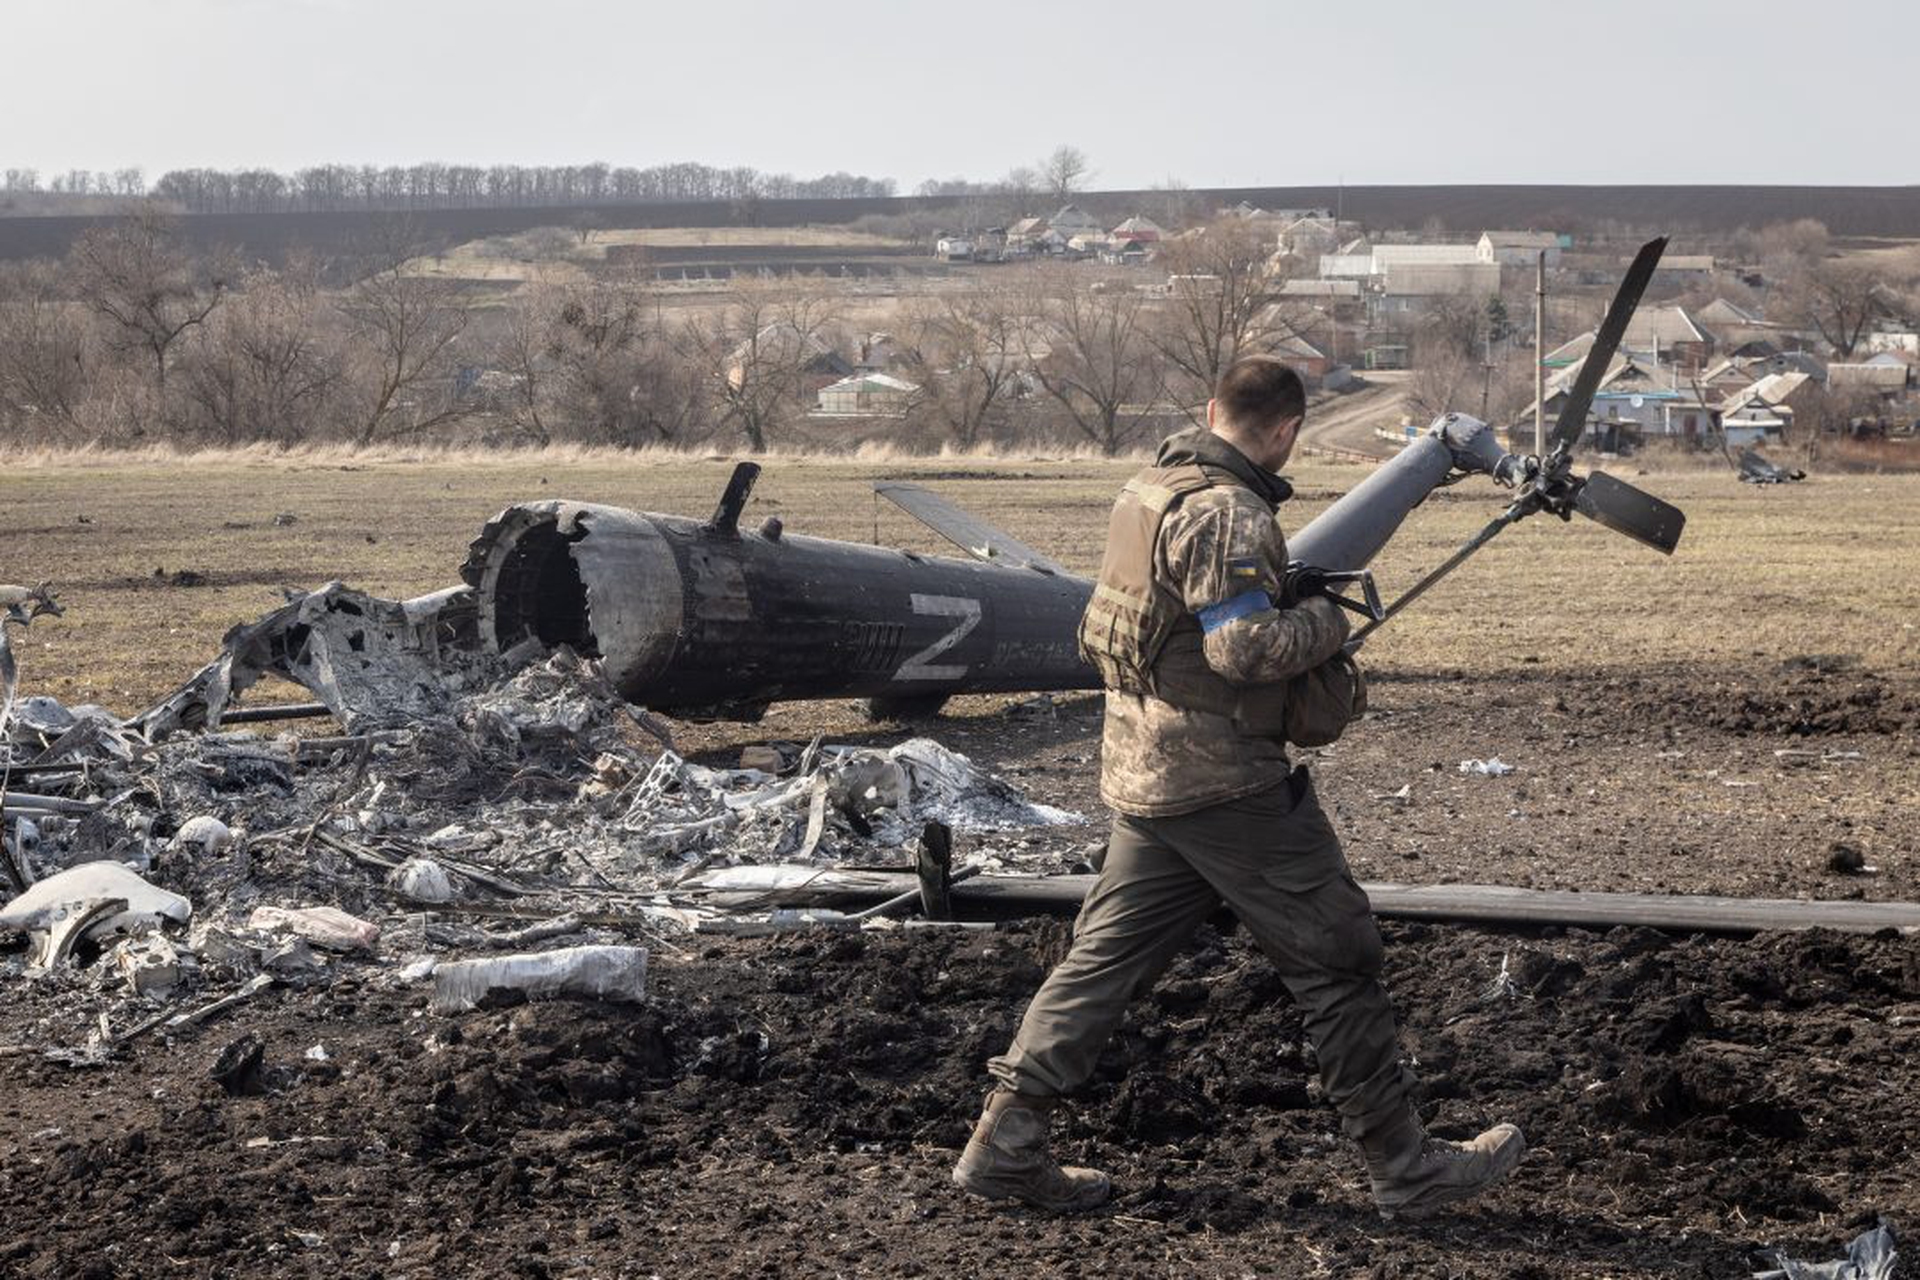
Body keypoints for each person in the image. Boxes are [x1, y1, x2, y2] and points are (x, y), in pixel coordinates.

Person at [951, 357, 1523, 1220]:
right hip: (1226, 783)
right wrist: (1334, 618)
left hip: (1146, 773)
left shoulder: (1149, 490)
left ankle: (1004, 1147)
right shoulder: (1228, 513)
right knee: (1338, 958)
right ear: (1288, 430)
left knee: (1099, 966)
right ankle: (1406, 1169)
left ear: (1211, 409)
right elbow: (1244, 652)